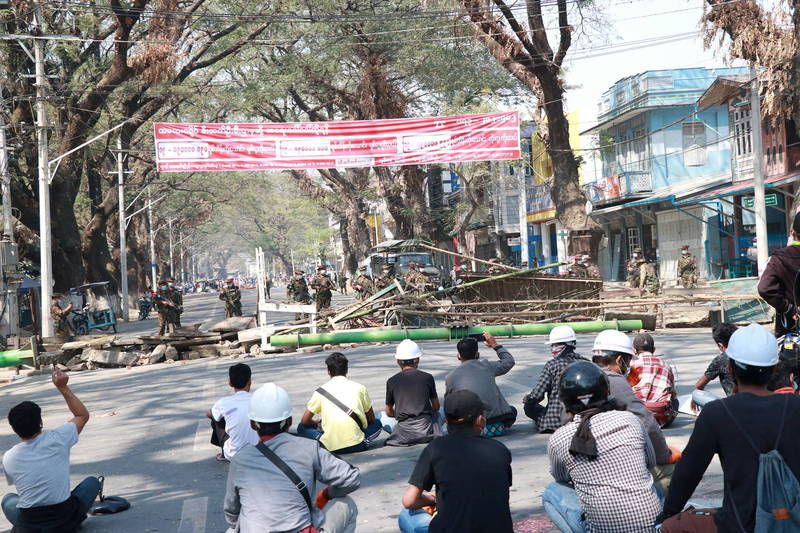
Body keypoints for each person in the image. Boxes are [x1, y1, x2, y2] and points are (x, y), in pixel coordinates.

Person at [659, 323, 800, 532]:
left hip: (738, 524)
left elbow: (687, 474)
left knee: (673, 527)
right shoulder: (796, 407)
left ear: (730, 368)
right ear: (775, 369)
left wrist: (668, 514)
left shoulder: (717, 413)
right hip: (792, 519)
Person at [543, 361, 662, 533]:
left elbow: (560, 477)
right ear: (606, 392)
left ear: (565, 401)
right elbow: (650, 462)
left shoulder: (558, 439)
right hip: (650, 528)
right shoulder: (629, 420)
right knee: (651, 485)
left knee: (551, 491)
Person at [224, 383, 361, 533]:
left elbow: (232, 513)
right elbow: (351, 478)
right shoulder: (309, 447)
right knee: (346, 504)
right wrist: (327, 494)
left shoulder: (240, 459)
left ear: (252, 424)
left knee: (232, 529)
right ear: (289, 421)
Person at [399, 389, 514, 533]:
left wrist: (433, 500)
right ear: (480, 420)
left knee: (407, 515)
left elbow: (409, 501)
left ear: (446, 421)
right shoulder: (500, 450)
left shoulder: (436, 448)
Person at [2, 368, 101, 532]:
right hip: (65, 518)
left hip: (30, 524)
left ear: (14, 429)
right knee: (92, 482)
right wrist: (62, 387)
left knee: (8, 500)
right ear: (40, 422)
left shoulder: (9, 456)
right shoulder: (57, 438)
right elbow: (82, 415)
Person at [591, 329, 676, 495]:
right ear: (619, 359)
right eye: (628, 361)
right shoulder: (613, 380)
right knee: (675, 470)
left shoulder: (582, 374)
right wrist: (664, 455)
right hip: (612, 462)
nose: (629, 366)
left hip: (585, 462)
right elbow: (647, 422)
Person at [297, 353, 383, 453]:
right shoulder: (360, 388)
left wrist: (316, 423)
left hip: (329, 448)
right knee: (377, 423)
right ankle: (357, 436)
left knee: (301, 427)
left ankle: (322, 439)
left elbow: (305, 421)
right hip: (357, 444)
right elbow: (371, 418)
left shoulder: (320, 392)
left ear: (328, 372)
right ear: (347, 370)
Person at [445, 333, 516, 436]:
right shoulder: (487, 366)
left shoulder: (450, 377)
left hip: (470, 427)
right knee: (512, 410)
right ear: (477, 355)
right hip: (496, 425)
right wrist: (495, 345)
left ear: (458, 356)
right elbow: (509, 361)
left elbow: (450, 405)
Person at [522, 325, 588, 433]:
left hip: (555, 422)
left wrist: (528, 399)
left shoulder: (552, 365)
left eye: (555, 345)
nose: (553, 348)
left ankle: (544, 423)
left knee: (529, 407)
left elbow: (537, 395)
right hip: (582, 419)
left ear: (566, 346)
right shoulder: (586, 363)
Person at [379, 340, 442, 447]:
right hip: (425, 428)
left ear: (398, 361)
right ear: (417, 360)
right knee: (442, 411)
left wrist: (402, 415)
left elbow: (389, 412)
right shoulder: (427, 377)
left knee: (380, 416)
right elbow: (436, 406)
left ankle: (398, 434)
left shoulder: (392, 381)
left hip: (404, 430)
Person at [757, 212, 800, 337]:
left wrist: (788, 308)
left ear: (792, 232)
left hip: (790, 328)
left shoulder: (779, 258)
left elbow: (764, 288)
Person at [206, 363, 259, 462]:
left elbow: (208, 414)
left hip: (234, 454)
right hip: (262, 452)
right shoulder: (259, 399)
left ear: (230, 383)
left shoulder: (224, 403)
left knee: (215, 416)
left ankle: (224, 454)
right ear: (250, 382)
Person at [629, 333, 678, 428]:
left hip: (637, 417)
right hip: (662, 418)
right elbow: (673, 393)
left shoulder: (631, 365)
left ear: (634, 350)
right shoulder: (666, 365)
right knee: (675, 401)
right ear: (654, 349)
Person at [691, 322, 738, 410]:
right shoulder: (749, 355)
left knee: (697, 395)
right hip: (757, 401)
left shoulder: (722, 359)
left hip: (734, 406)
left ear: (720, 345)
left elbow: (699, 386)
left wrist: (694, 399)